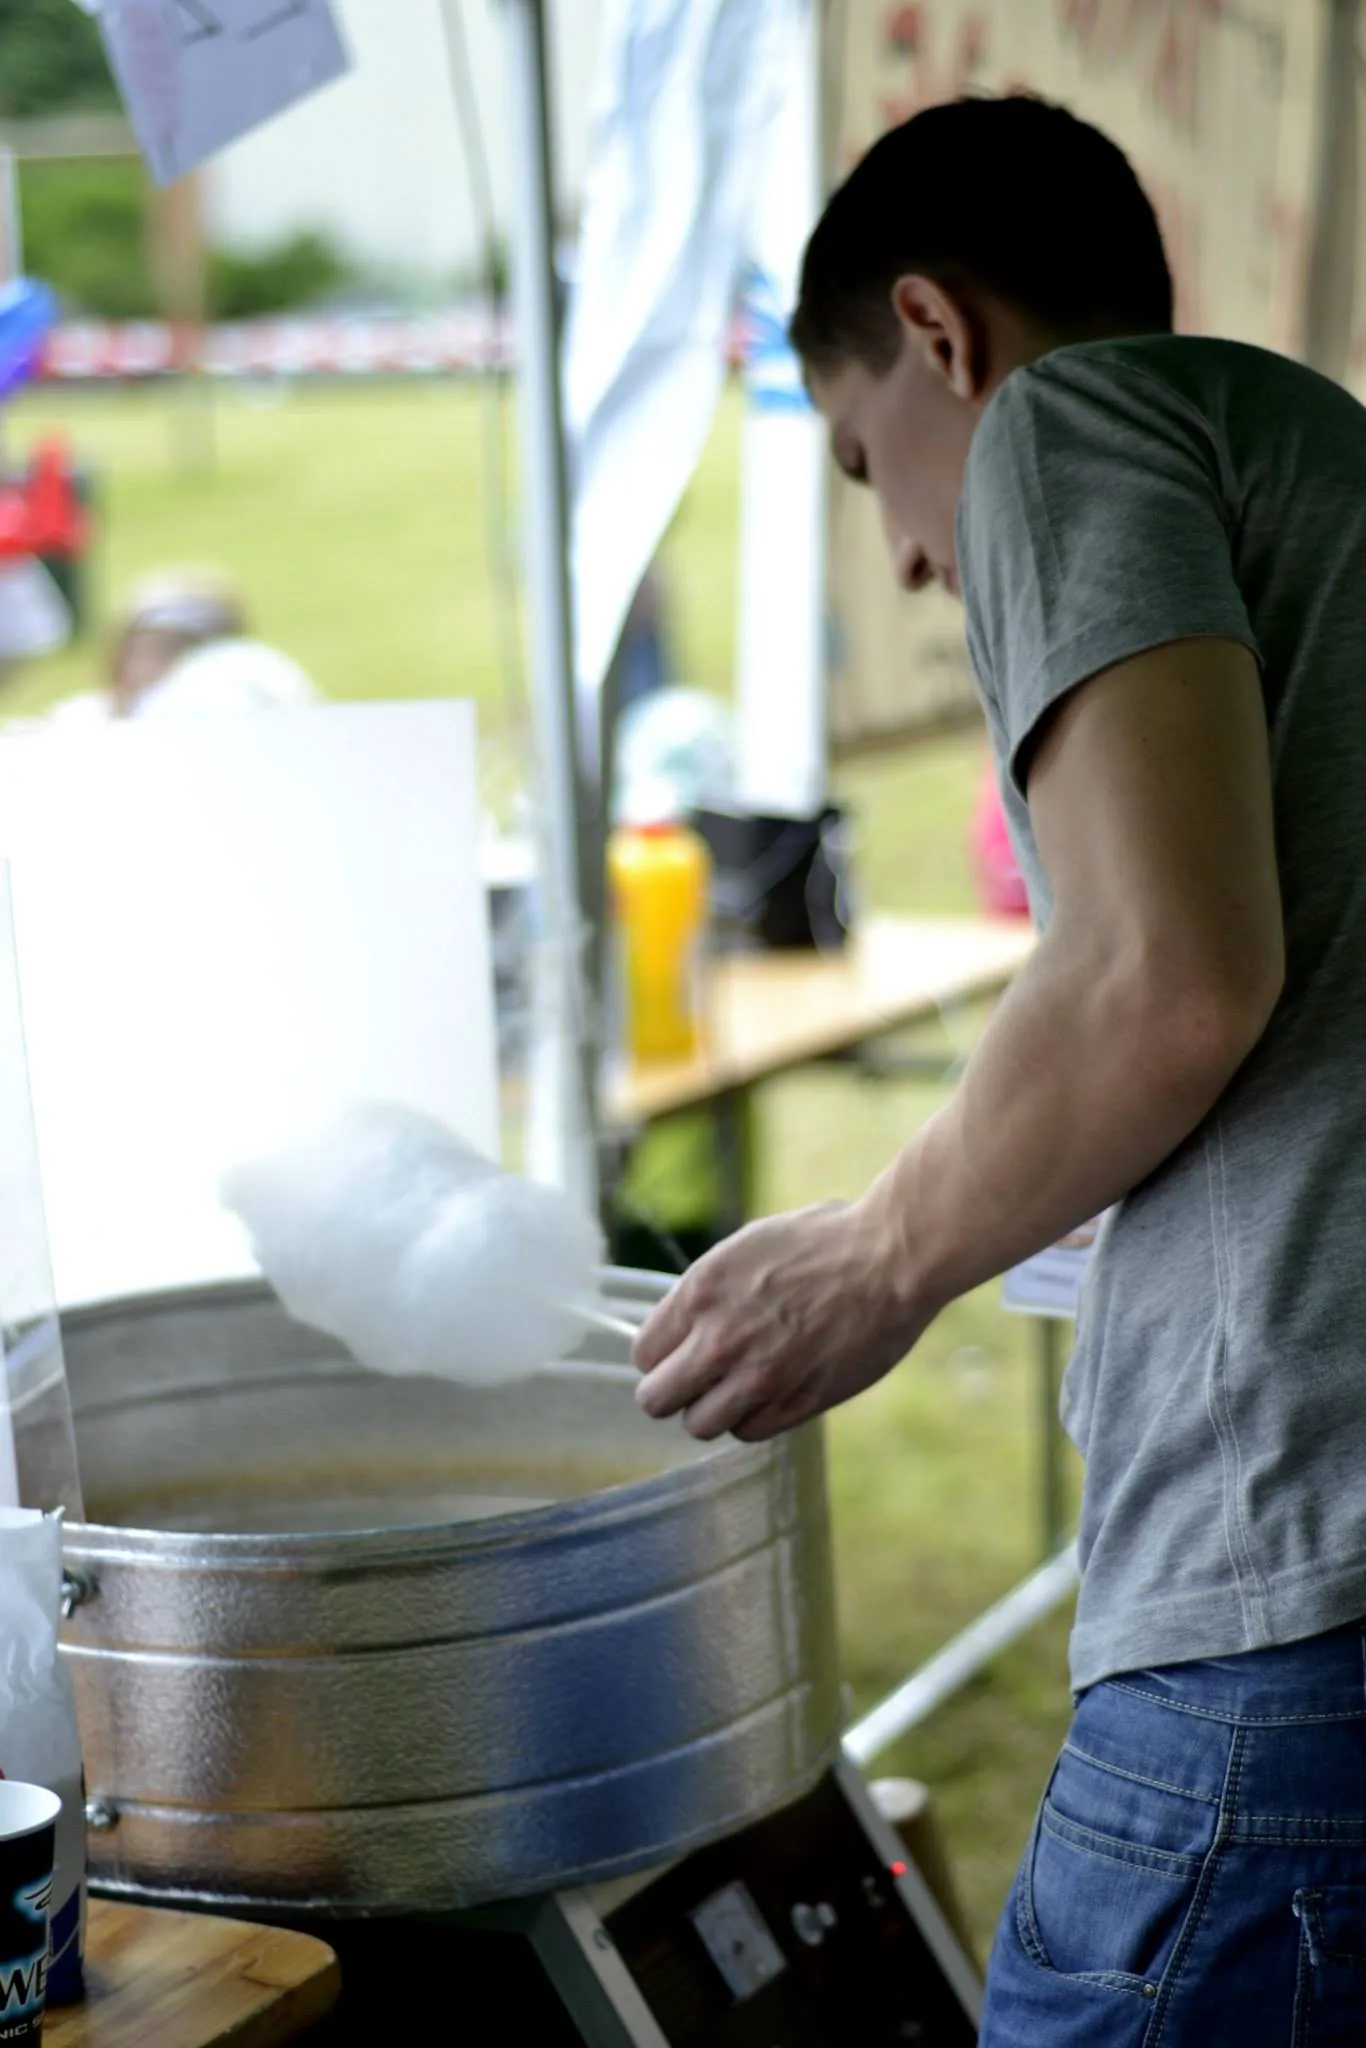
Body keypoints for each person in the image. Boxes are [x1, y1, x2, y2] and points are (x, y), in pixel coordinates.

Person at [629, 93, 1366, 2042]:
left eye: (863, 456)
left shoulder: (1072, 421)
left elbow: (1163, 982)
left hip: (1282, 1589)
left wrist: (880, 1251)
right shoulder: (1315, 459)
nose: (892, 556)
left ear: (936, 330)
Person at [39, 567, 317, 730]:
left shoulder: (243, 691)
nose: (149, 666)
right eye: (149, 648)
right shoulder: (75, 722)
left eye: (179, 648)